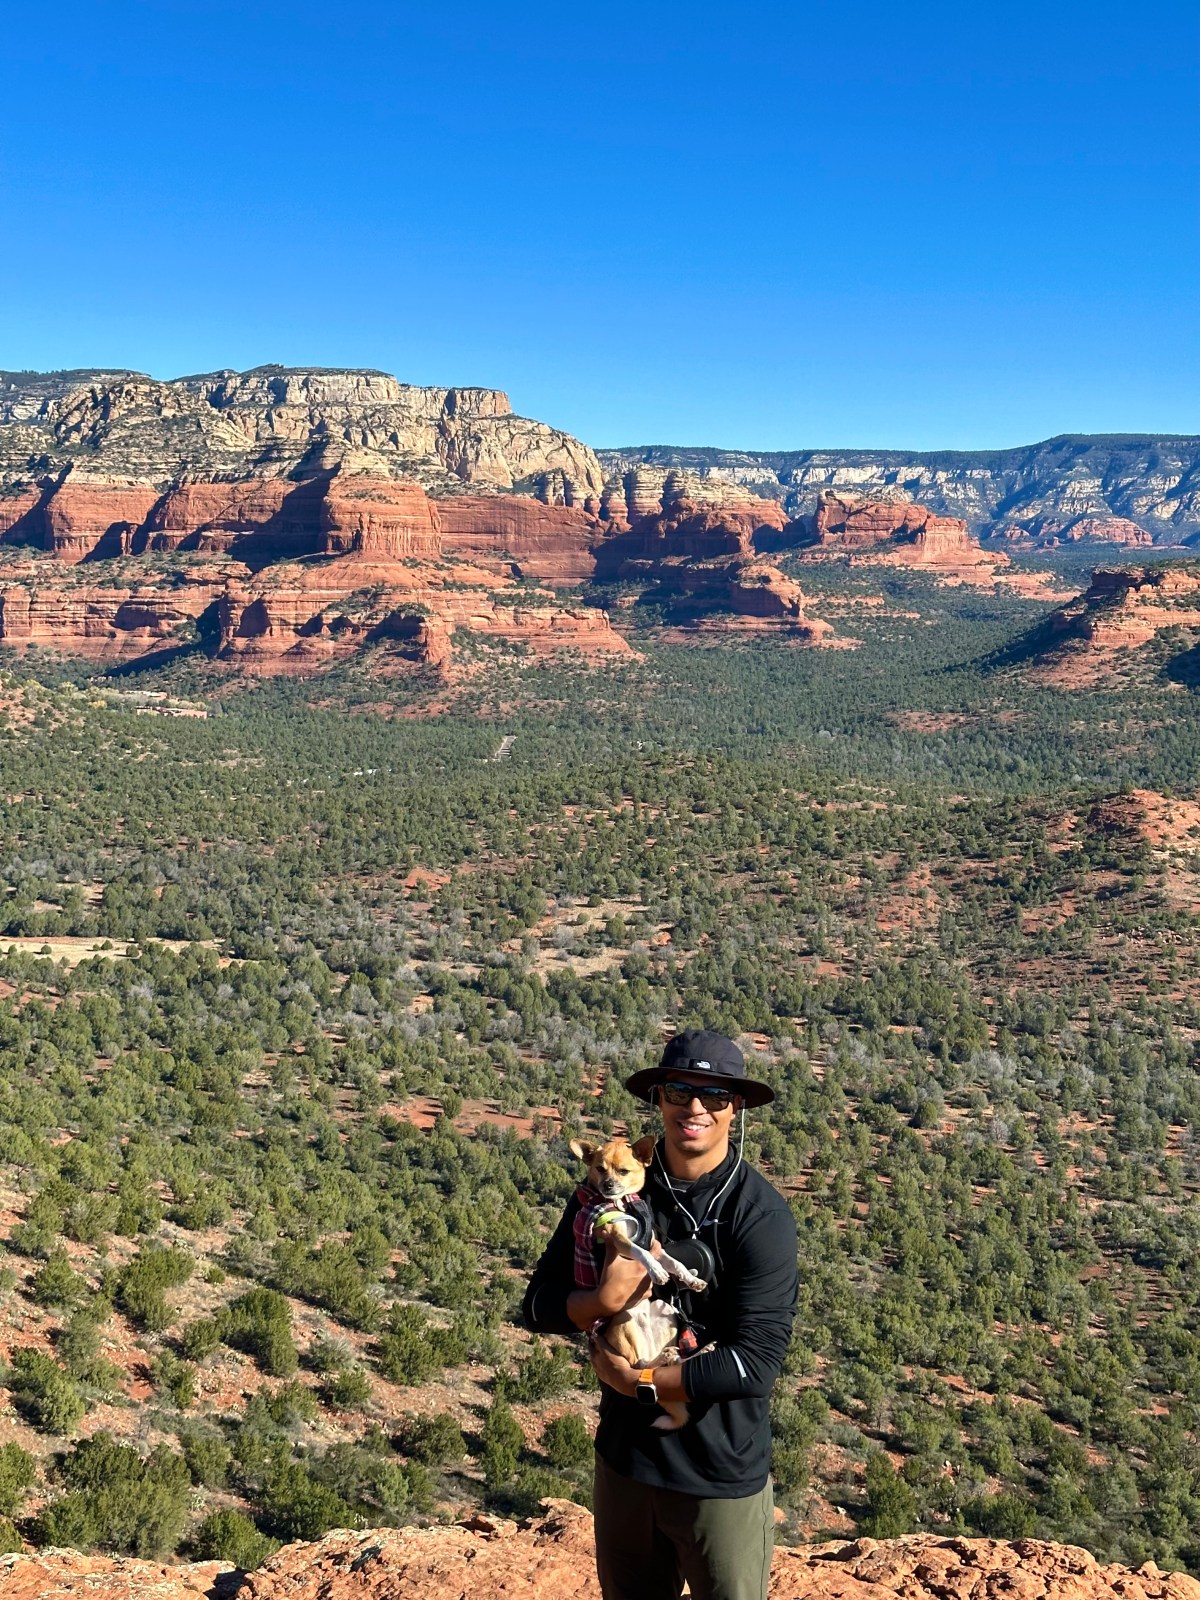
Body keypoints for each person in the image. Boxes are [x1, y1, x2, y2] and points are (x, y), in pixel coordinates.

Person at [523, 1029, 798, 1600]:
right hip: (625, 1465)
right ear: (660, 1101)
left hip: (715, 1477)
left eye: (714, 1095)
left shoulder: (759, 1215)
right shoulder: (611, 1195)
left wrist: (639, 1383)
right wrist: (599, 1303)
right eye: (679, 1091)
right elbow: (537, 1304)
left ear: (735, 1106)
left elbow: (756, 1364)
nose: (695, 1107)